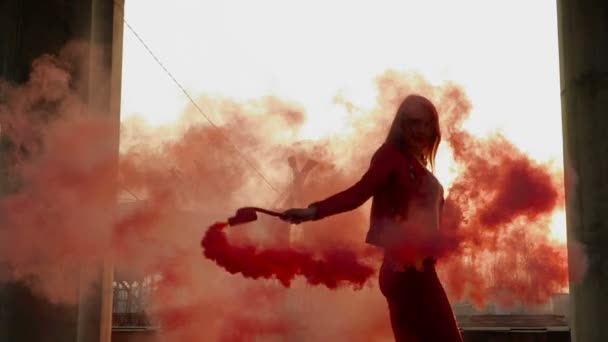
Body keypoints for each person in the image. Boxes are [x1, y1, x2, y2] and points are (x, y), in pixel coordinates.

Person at [282, 94, 463, 342]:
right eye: (412, 123)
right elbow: (359, 192)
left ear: (434, 127)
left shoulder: (417, 165)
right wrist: (313, 211)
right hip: (406, 272)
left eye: (426, 123)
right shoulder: (391, 156)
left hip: (416, 271)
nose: (420, 130)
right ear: (401, 125)